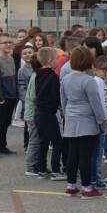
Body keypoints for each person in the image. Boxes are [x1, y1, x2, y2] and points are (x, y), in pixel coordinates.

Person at [60, 46, 107, 198]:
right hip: (87, 122)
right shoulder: (89, 81)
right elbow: (97, 106)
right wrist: (104, 124)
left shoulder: (65, 79)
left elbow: (63, 101)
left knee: (72, 154)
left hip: (71, 121)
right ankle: (87, 188)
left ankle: (71, 185)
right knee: (85, 156)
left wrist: (67, 117)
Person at [33, 47, 65, 180]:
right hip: (48, 114)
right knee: (58, 142)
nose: (58, 61)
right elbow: (55, 96)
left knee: (43, 141)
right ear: (51, 61)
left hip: (39, 113)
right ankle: (56, 170)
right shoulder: (53, 77)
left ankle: (41, 168)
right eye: (57, 59)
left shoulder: (38, 75)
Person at [91, 55, 107, 191]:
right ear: (95, 70)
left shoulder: (104, 82)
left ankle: (96, 176)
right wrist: (104, 124)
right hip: (99, 123)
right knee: (96, 153)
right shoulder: (97, 82)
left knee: (97, 152)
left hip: (102, 121)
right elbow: (100, 103)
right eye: (104, 69)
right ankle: (95, 179)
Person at [16, 42, 35, 139]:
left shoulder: (38, 68)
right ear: (22, 56)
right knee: (28, 124)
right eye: (25, 53)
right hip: (28, 102)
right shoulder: (21, 71)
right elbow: (21, 87)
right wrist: (26, 100)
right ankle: (27, 144)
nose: (28, 55)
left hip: (38, 100)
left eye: (30, 52)